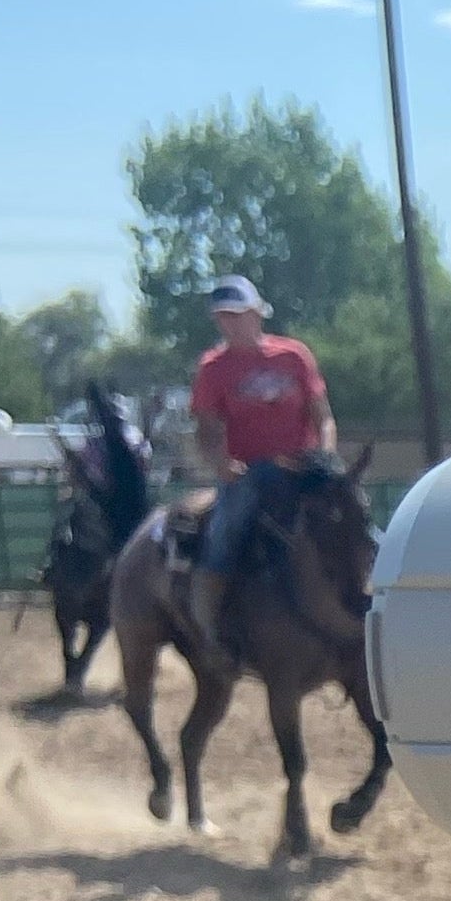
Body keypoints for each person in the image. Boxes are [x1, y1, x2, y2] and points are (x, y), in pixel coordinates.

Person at [185, 275, 334, 654]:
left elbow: (323, 417)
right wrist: (220, 464)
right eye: (222, 317)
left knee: (348, 518)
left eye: (236, 314)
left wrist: (327, 455)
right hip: (250, 474)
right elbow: (206, 429)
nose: (229, 323)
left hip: (303, 468)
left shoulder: (293, 356)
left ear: (257, 314)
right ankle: (212, 634)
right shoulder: (213, 368)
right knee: (223, 537)